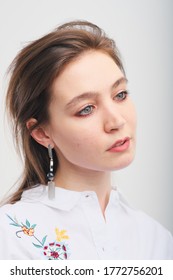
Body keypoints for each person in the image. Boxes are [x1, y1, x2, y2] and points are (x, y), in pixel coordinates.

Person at [0, 20, 172, 260]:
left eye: (120, 95)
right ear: (42, 133)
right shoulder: (10, 236)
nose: (116, 121)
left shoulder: (157, 240)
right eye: (86, 109)